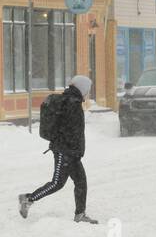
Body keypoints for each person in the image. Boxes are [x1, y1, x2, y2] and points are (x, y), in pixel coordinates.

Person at [18, 75, 98, 224]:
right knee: (57, 183)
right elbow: (70, 130)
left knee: (80, 182)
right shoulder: (72, 104)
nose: (88, 92)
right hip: (65, 151)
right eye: (87, 89)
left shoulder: (70, 101)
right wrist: (69, 148)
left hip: (70, 152)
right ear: (82, 88)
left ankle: (80, 214)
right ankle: (28, 199)